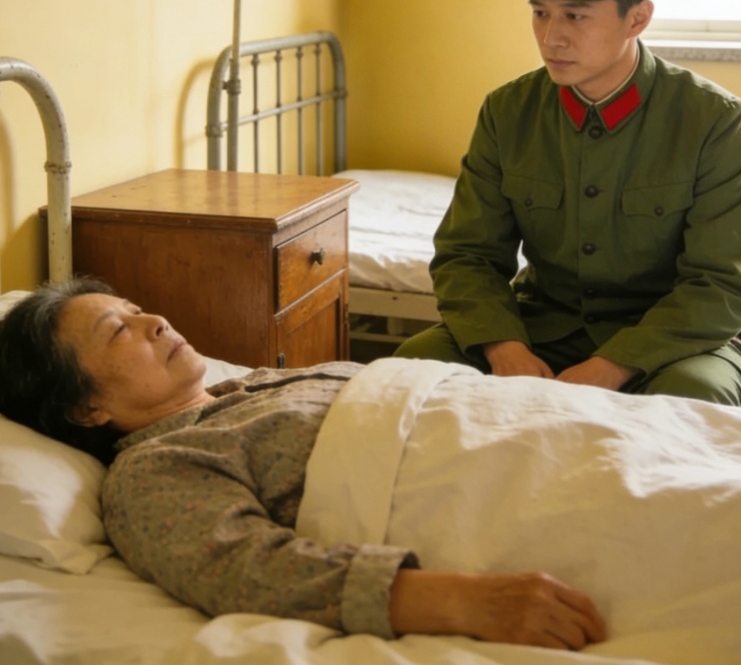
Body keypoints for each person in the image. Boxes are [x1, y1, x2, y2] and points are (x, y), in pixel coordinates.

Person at [0, 278, 605, 651]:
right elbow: (247, 569)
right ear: (86, 408)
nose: (154, 321)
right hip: (523, 488)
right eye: (118, 331)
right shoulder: (155, 469)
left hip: (554, 428)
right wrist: (465, 602)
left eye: (135, 309)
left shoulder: (255, 384)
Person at [395, 0, 741, 406]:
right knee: (409, 374)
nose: (551, 37)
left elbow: (720, 283)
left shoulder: (714, 121)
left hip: (668, 344)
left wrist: (612, 365)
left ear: (637, 18)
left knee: (695, 398)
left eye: (575, 16)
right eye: (540, 13)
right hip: (537, 328)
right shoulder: (508, 111)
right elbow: (467, 254)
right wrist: (503, 346)